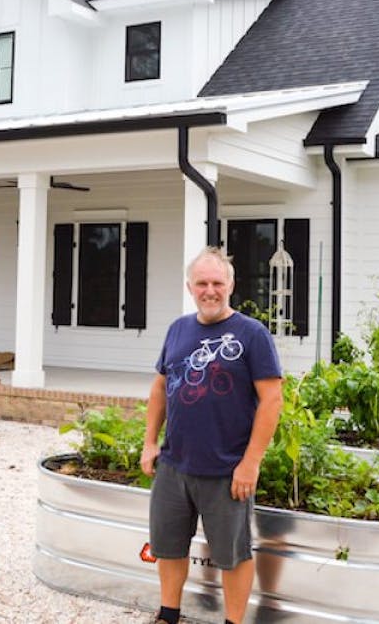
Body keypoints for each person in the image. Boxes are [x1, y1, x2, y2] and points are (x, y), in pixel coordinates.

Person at [140, 246, 283, 624]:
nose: (210, 290)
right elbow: (159, 388)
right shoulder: (178, 329)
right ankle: (168, 615)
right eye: (202, 283)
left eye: (217, 282)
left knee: (233, 554)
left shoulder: (252, 335)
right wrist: (150, 442)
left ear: (231, 285)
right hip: (174, 466)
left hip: (227, 470)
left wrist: (250, 463)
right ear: (190, 287)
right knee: (168, 546)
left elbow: (272, 401)